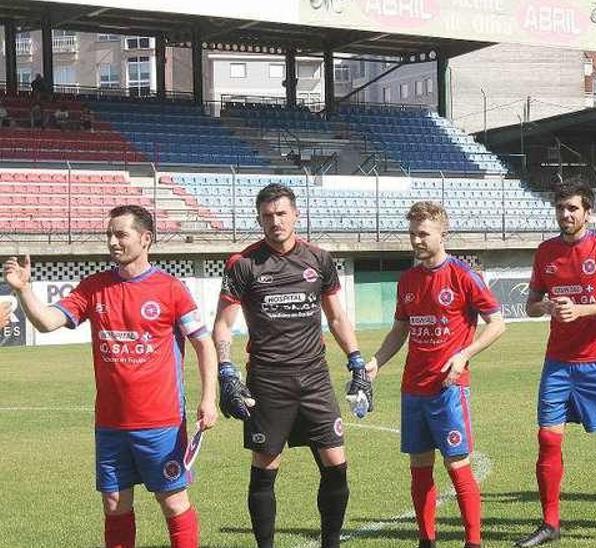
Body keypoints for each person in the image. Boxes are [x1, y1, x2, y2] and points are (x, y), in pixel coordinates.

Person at [3, 205, 217, 548]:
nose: (113, 242)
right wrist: (23, 290)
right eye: (109, 235)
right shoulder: (94, 287)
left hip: (160, 422)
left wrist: (209, 398)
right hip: (111, 424)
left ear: (145, 239)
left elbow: (203, 344)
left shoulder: (170, 289)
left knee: (173, 502)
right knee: (115, 505)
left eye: (121, 234)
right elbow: (46, 322)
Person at [212, 183, 365, 548]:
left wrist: (357, 361)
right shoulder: (243, 263)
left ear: (295, 215)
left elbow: (338, 317)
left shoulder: (319, 259)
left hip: (315, 378)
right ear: (259, 218)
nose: (275, 221)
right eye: (267, 215)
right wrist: (227, 372)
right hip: (268, 382)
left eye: (281, 213)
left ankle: (331, 543)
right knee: (264, 470)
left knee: (336, 465)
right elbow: (222, 324)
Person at [362, 202, 505, 548]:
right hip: (413, 389)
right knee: (420, 469)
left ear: (443, 233)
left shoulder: (463, 276)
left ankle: (473, 542)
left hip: (448, 390)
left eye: (423, 233)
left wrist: (464, 355)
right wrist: (377, 362)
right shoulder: (408, 280)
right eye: (412, 233)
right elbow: (400, 330)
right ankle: (427, 541)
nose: (416, 240)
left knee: (458, 466)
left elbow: (498, 324)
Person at [514, 180, 596, 547]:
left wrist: (582, 309)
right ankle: (550, 524)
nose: (566, 214)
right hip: (558, 362)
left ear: (587, 212)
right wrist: (548, 307)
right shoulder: (546, 252)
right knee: (547, 438)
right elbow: (531, 304)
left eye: (572, 208)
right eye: (561, 208)